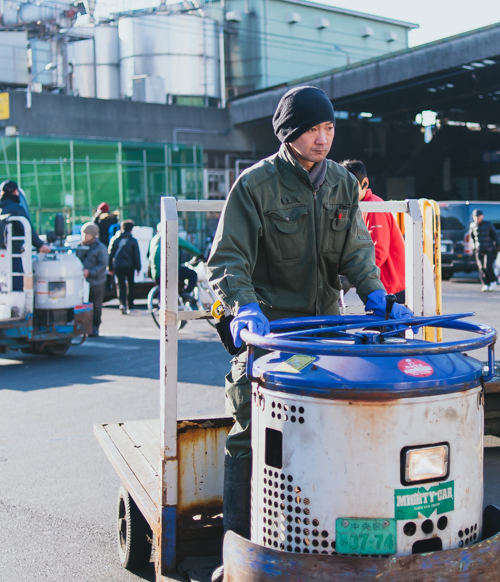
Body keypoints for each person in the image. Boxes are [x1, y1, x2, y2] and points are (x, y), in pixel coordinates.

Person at [207, 84, 412, 543]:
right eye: (312, 129)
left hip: (324, 328)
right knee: (249, 426)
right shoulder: (255, 185)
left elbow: (357, 252)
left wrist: (375, 293)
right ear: (288, 133)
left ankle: (317, 534)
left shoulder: (341, 181)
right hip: (271, 332)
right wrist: (245, 308)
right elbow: (227, 259)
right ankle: (237, 548)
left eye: (329, 128)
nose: (323, 138)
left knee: (330, 423)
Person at [340, 159, 406, 301]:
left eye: (350, 186)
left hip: (390, 287)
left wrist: (350, 271)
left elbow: (378, 253)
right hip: (380, 285)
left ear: (365, 183)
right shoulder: (358, 207)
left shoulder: (374, 208)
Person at [0, 180, 50, 290]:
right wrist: (40, 245)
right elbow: (26, 229)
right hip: (12, 252)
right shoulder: (16, 208)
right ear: (14, 191)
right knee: (15, 280)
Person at [148, 225, 201, 302]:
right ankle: (185, 293)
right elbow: (188, 247)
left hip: (155, 273)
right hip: (169, 272)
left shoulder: (153, 239)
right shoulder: (172, 237)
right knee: (193, 274)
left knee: (163, 288)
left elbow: (148, 255)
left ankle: (161, 305)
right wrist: (200, 255)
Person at [76, 222, 109, 336]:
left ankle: (95, 327)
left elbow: (103, 265)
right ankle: (84, 327)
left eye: (86, 234)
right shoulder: (80, 246)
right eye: (82, 233)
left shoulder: (101, 248)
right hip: (82, 282)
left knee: (96, 306)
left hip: (96, 282)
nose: (84, 236)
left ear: (93, 235)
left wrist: (89, 272)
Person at [108, 219, 142, 314]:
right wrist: (138, 267)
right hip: (130, 266)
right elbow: (136, 255)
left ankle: (122, 304)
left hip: (118, 266)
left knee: (121, 285)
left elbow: (110, 254)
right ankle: (130, 306)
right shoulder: (133, 240)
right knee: (131, 285)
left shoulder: (115, 239)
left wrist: (110, 267)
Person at [469, 209, 500, 291]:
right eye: (475, 217)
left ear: (482, 216)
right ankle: (485, 284)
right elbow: (471, 238)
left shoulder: (488, 225)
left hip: (489, 249)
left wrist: (498, 245)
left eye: (478, 216)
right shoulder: (472, 226)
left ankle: (493, 281)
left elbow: (495, 235)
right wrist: (473, 247)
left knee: (488, 266)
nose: (476, 218)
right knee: (481, 267)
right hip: (479, 249)